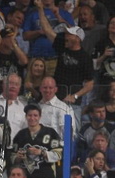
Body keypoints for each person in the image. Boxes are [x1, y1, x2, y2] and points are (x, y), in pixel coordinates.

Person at [35, 0, 94, 131]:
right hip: (56, 99)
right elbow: (47, 30)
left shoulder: (85, 58)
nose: (66, 36)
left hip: (73, 103)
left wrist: (76, 96)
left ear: (77, 39)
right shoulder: (63, 46)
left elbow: (90, 84)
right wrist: (40, 9)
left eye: (69, 34)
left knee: (73, 132)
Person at [12, 103, 62, 178]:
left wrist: (42, 152)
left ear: (40, 117)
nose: (32, 118)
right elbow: (12, 157)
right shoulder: (20, 135)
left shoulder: (50, 133)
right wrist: (17, 157)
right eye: (30, 115)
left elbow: (59, 154)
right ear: (26, 117)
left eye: (35, 115)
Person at [22, 0, 74, 76]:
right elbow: (25, 36)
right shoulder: (33, 14)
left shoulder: (64, 14)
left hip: (57, 59)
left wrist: (60, 19)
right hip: (36, 59)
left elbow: (73, 34)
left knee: (52, 87)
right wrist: (39, 32)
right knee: (31, 86)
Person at [0, 24, 28, 94]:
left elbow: (24, 62)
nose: (12, 39)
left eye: (13, 37)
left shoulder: (17, 54)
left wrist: (14, 44)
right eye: (9, 37)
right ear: (2, 39)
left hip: (16, 96)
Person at [39, 76, 76, 140]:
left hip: (56, 147)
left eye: (50, 88)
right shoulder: (37, 107)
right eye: (45, 87)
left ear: (56, 89)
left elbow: (68, 135)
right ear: (40, 89)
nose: (47, 90)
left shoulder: (64, 108)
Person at [0, 73, 27, 140]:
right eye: (11, 83)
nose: (13, 86)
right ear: (3, 85)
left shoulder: (24, 108)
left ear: (19, 88)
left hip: (14, 147)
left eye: (16, 84)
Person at [92, 15, 115, 88]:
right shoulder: (101, 43)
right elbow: (93, 63)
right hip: (105, 80)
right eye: (112, 23)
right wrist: (104, 55)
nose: (114, 25)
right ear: (108, 27)